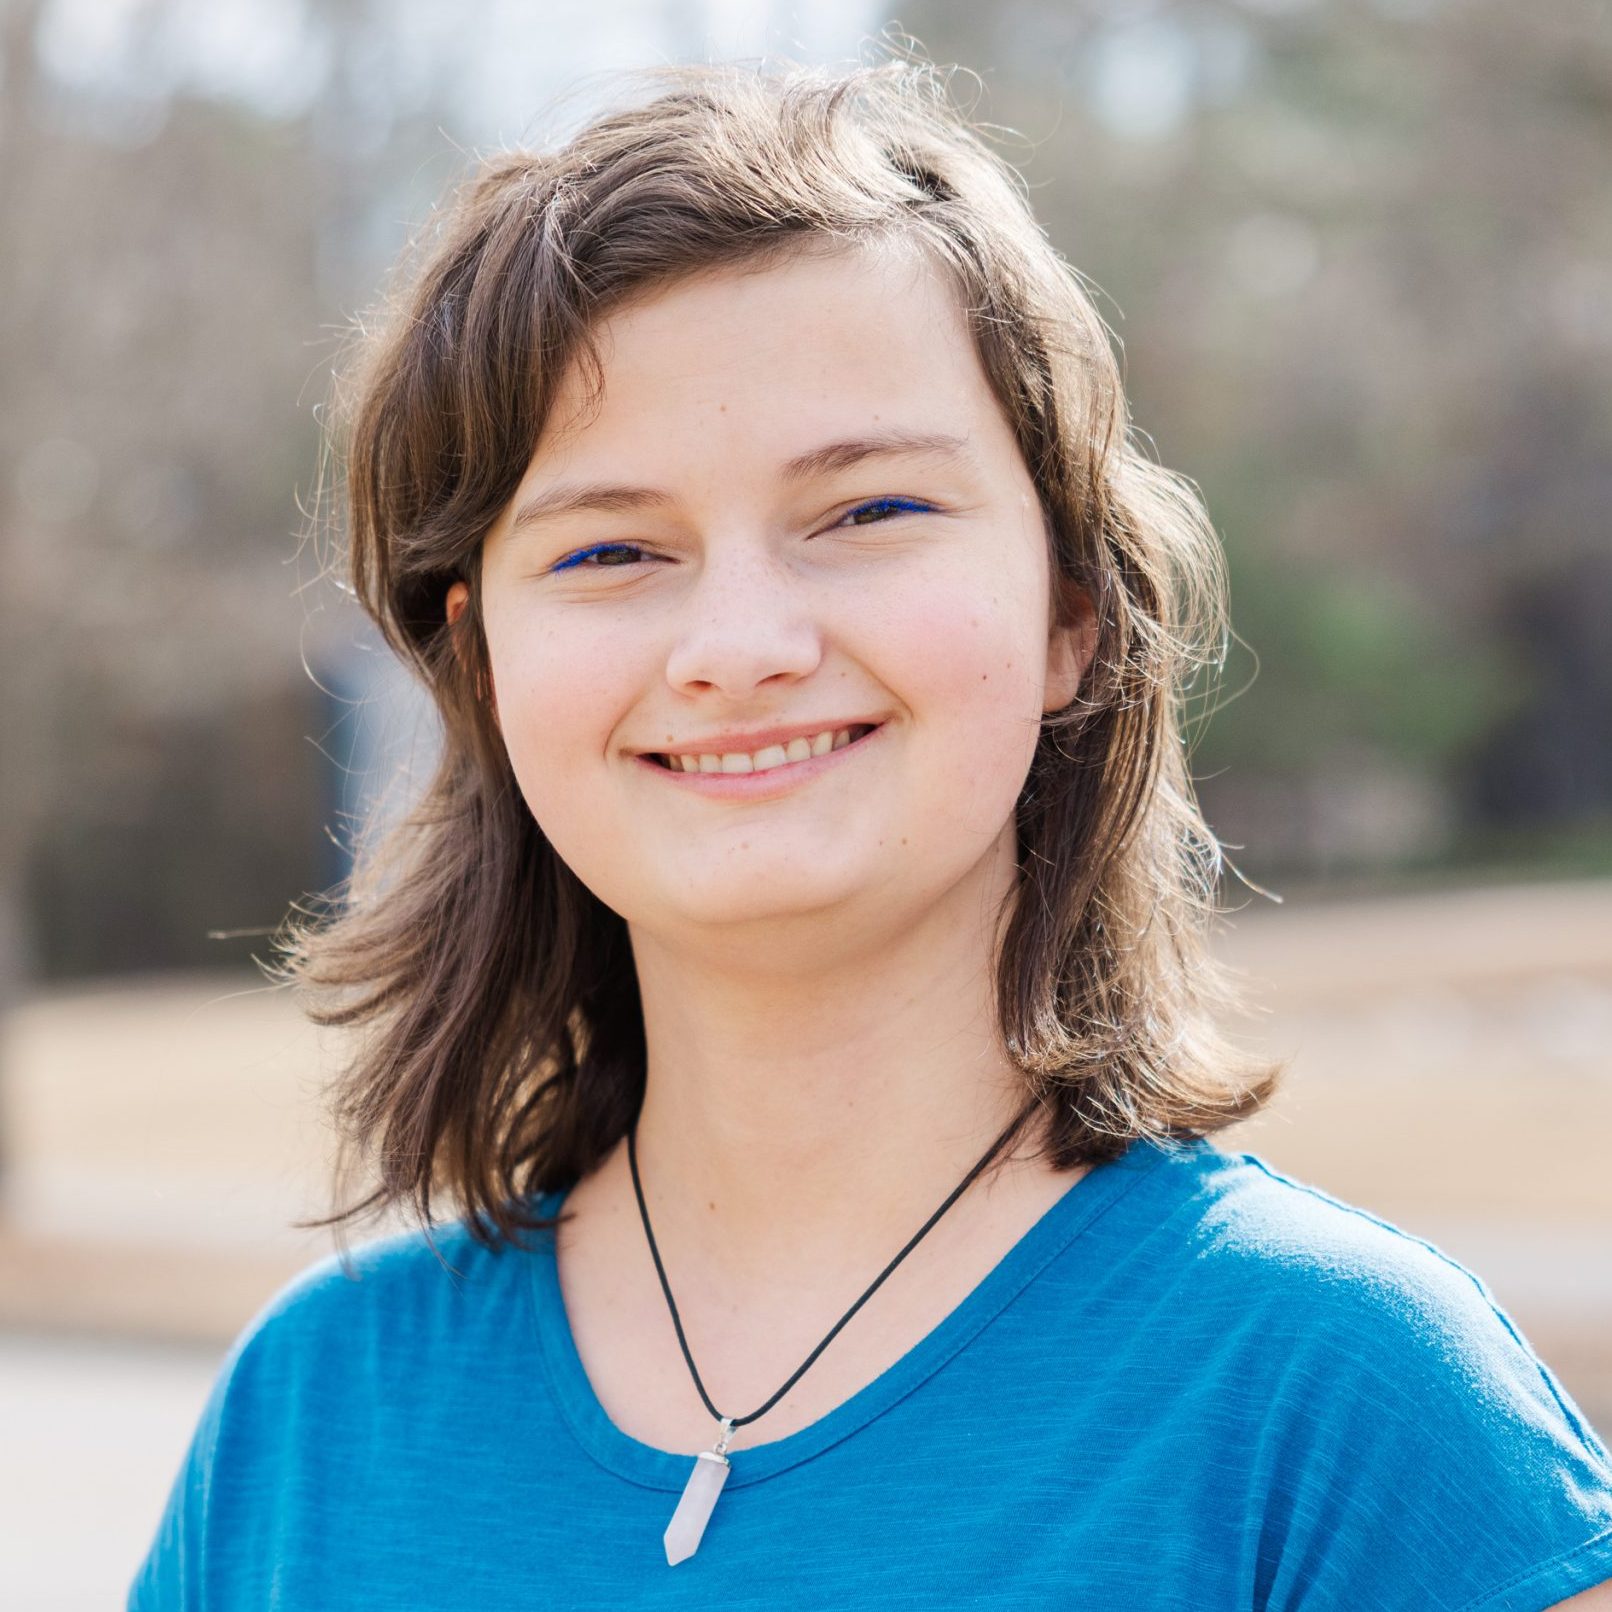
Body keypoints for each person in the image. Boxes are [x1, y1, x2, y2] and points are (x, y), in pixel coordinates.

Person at [129, 51, 1612, 1610]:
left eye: (869, 513)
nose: (741, 641)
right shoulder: (307, 1419)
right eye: (617, 548)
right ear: (483, 665)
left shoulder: (1344, 1408)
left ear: (1071, 615)